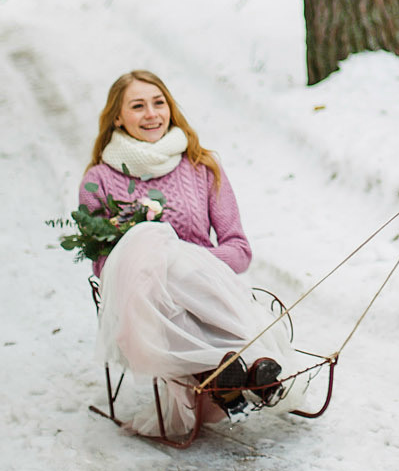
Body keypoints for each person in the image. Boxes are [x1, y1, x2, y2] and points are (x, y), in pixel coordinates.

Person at [81, 69, 300, 437]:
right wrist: (155, 257)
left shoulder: (201, 166)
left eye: (158, 103)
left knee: (178, 261)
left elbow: (239, 249)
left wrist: (192, 263)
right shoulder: (98, 180)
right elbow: (103, 262)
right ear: (117, 117)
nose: (151, 114)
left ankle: (227, 370)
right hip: (144, 303)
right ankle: (249, 363)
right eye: (137, 106)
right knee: (148, 242)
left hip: (207, 294)